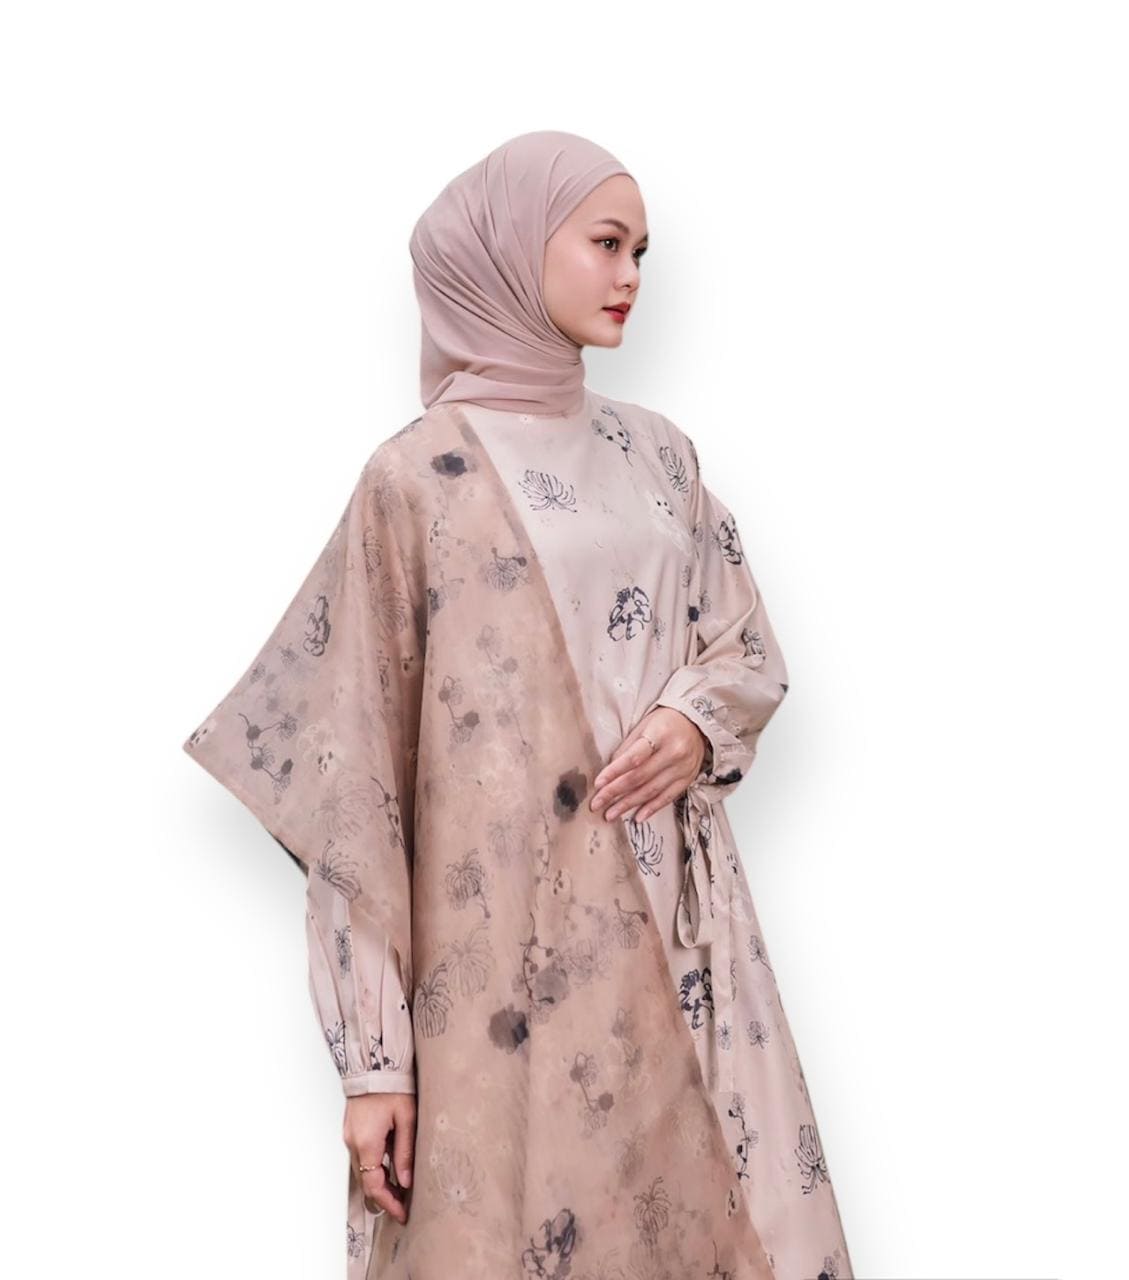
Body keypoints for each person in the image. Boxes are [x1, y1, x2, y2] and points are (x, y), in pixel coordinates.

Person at [182, 129, 853, 1280]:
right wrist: (374, 1063)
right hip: (494, 962)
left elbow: (742, 642)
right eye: (605, 243)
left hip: (677, 936)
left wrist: (694, 720)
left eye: (641, 250)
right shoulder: (417, 477)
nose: (630, 274)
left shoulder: (659, 457)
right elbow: (353, 780)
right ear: (508, 246)